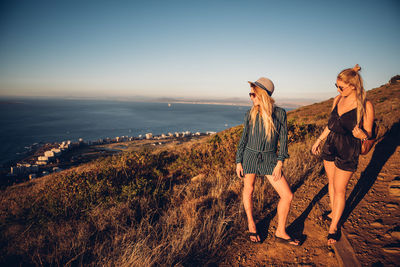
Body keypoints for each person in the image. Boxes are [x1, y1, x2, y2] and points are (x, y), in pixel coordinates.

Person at [311, 64, 374, 245]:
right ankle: (332, 212)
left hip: (348, 148)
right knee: (331, 183)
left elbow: (369, 133)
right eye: (336, 86)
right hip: (331, 145)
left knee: (340, 189)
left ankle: (334, 227)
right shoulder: (337, 99)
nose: (338, 89)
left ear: (353, 86)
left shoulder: (365, 105)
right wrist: (319, 140)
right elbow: (330, 125)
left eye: (341, 87)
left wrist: (363, 135)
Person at [236, 77, 299, 246]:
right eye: (250, 94)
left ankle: (280, 231)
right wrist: (238, 161)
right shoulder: (250, 113)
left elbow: (284, 141)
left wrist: (280, 163)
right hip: (249, 156)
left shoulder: (280, 113)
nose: (251, 97)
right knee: (248, 189)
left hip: (270, 158)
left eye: (253, 94)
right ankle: (251, 223)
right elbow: (244, 139)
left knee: (287, 195)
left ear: (263, 94)